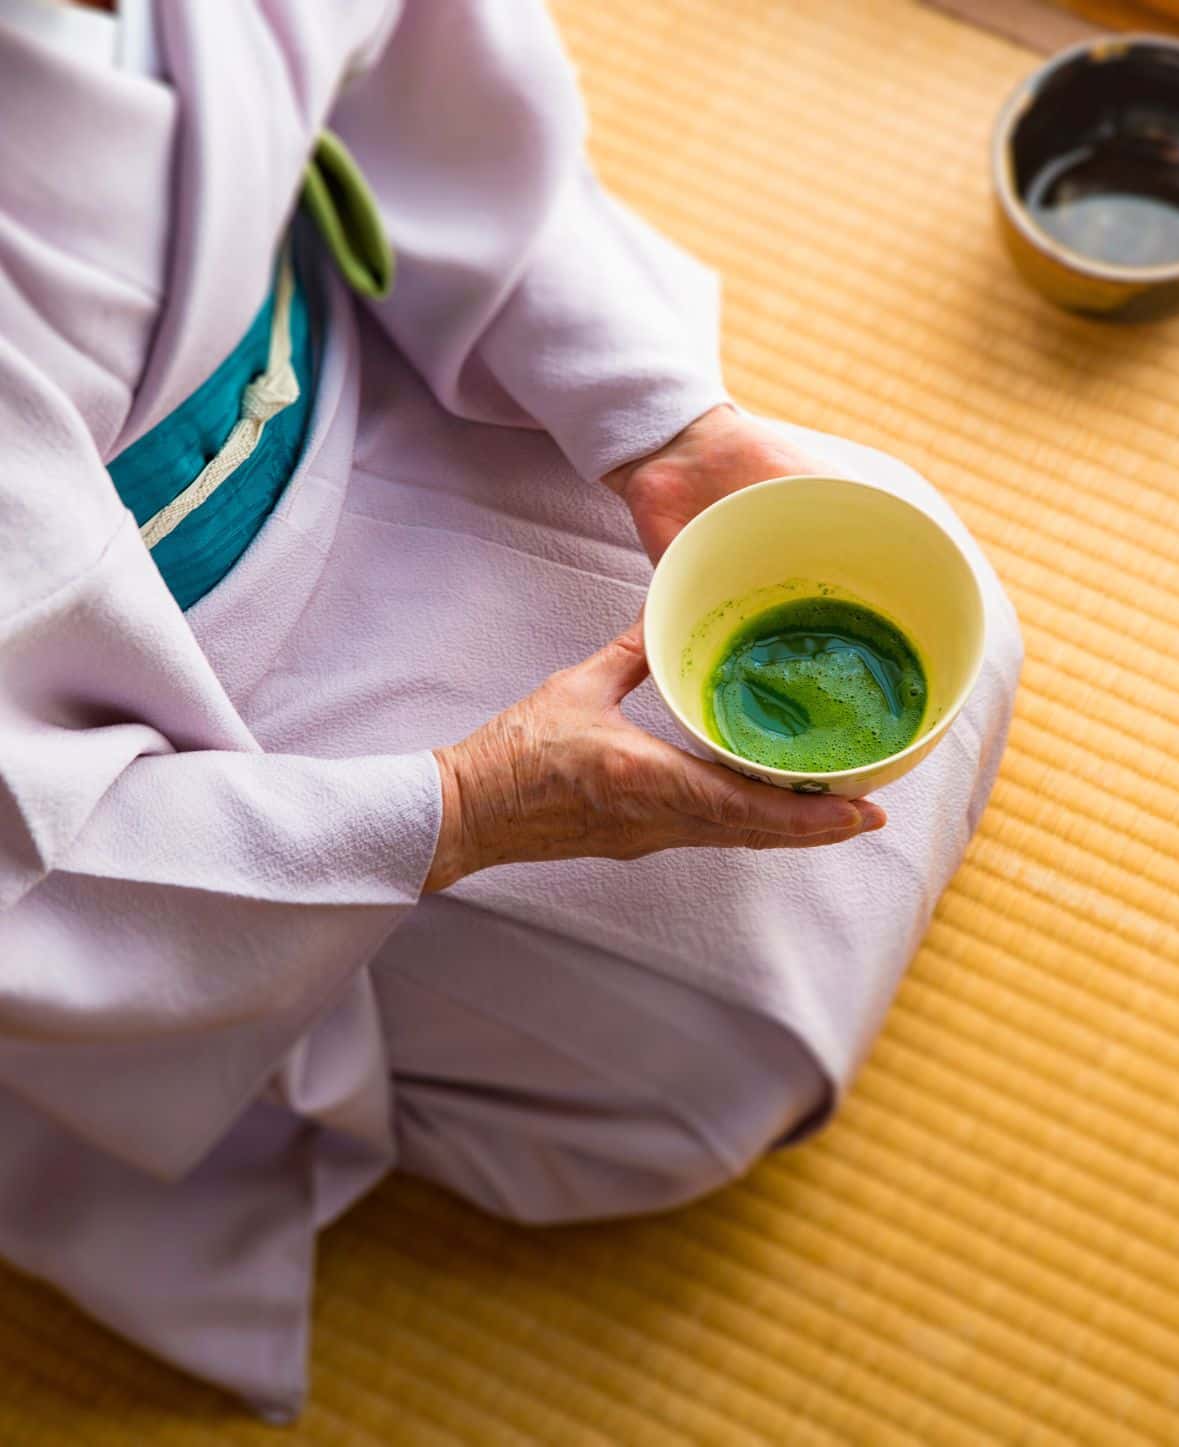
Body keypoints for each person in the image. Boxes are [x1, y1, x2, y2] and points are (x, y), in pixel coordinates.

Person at [0, 0, 1022, 1421]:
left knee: (931, 568)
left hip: (373, 372)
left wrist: (662, 430)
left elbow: (421, 93)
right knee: (727, 1049)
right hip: (164, 701)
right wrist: (465, 806)